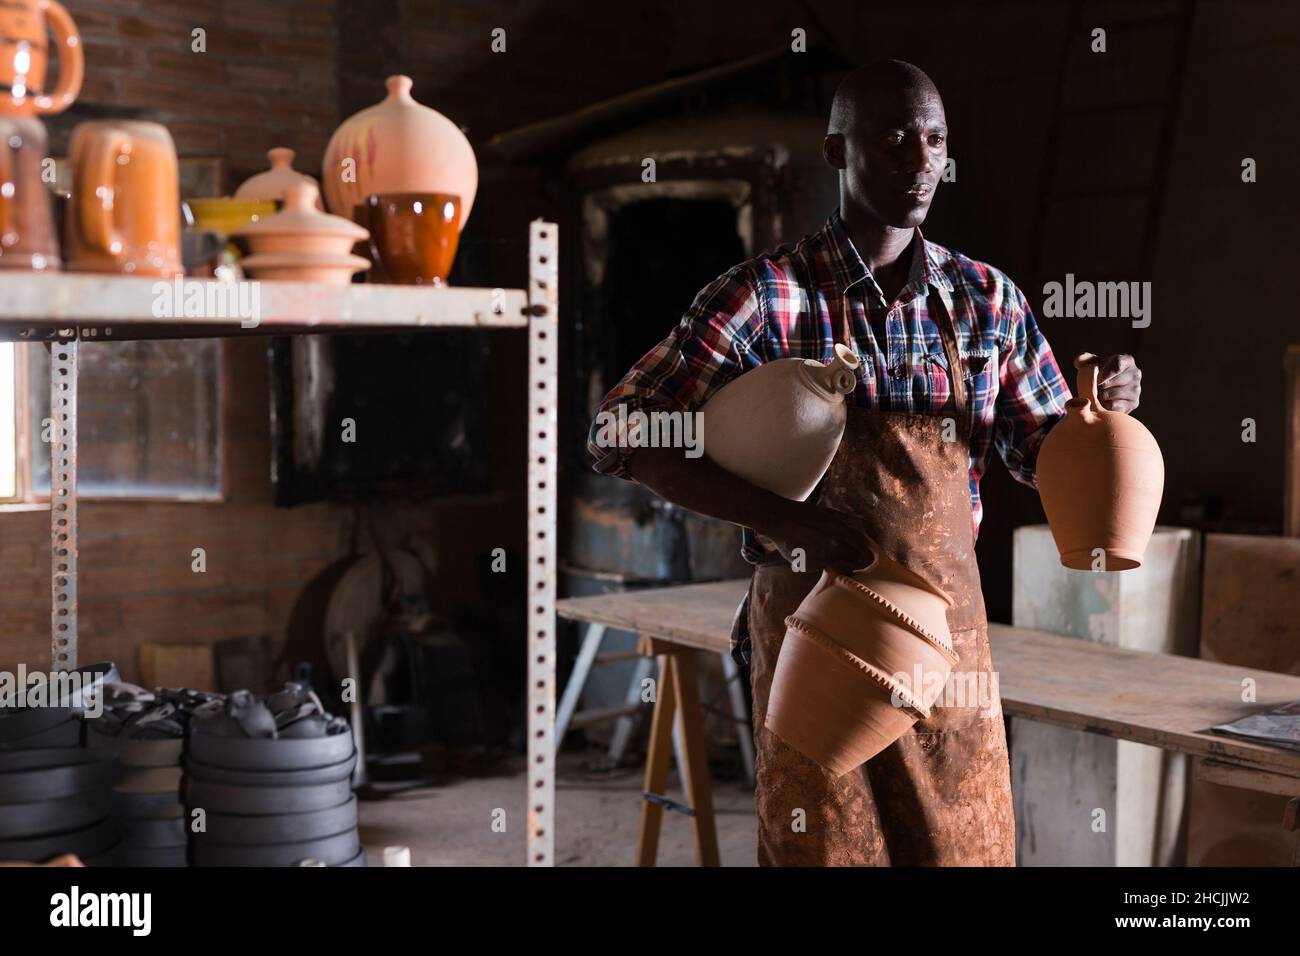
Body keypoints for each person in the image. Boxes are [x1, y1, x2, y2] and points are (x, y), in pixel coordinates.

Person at [585, 59, 1142, 866]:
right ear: (837, 151)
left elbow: (1038, 453)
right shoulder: (768, 296)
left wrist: (1100, 411)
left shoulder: (988, 300)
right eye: (893, 138)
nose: (921, 161)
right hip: (817, 646)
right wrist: (785, 522)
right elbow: (623, 430)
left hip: (948, 657)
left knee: (966, 852)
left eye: (935, 139)